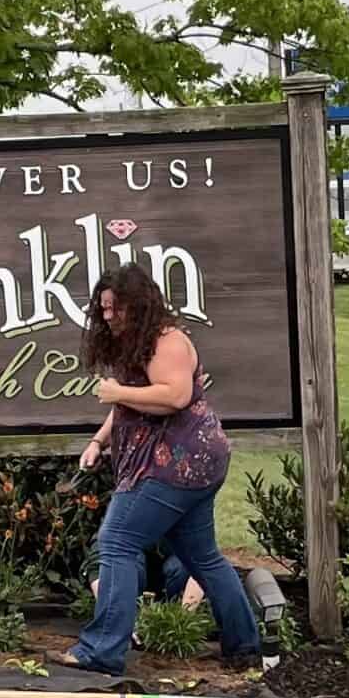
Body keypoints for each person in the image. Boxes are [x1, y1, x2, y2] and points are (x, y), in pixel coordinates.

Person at [52, 262, 261, 675]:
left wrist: (115, 391)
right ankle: (244, 646)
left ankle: (102, 650)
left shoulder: (169, 341)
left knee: (116, 542)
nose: (108, 315)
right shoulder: (138, 343)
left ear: (139, 304)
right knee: (202, 556)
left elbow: (175, 396)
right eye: (104, 308)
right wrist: (99, 440)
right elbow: (133, 404)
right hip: (184, 466)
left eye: (116, 307)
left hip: (175, 466)